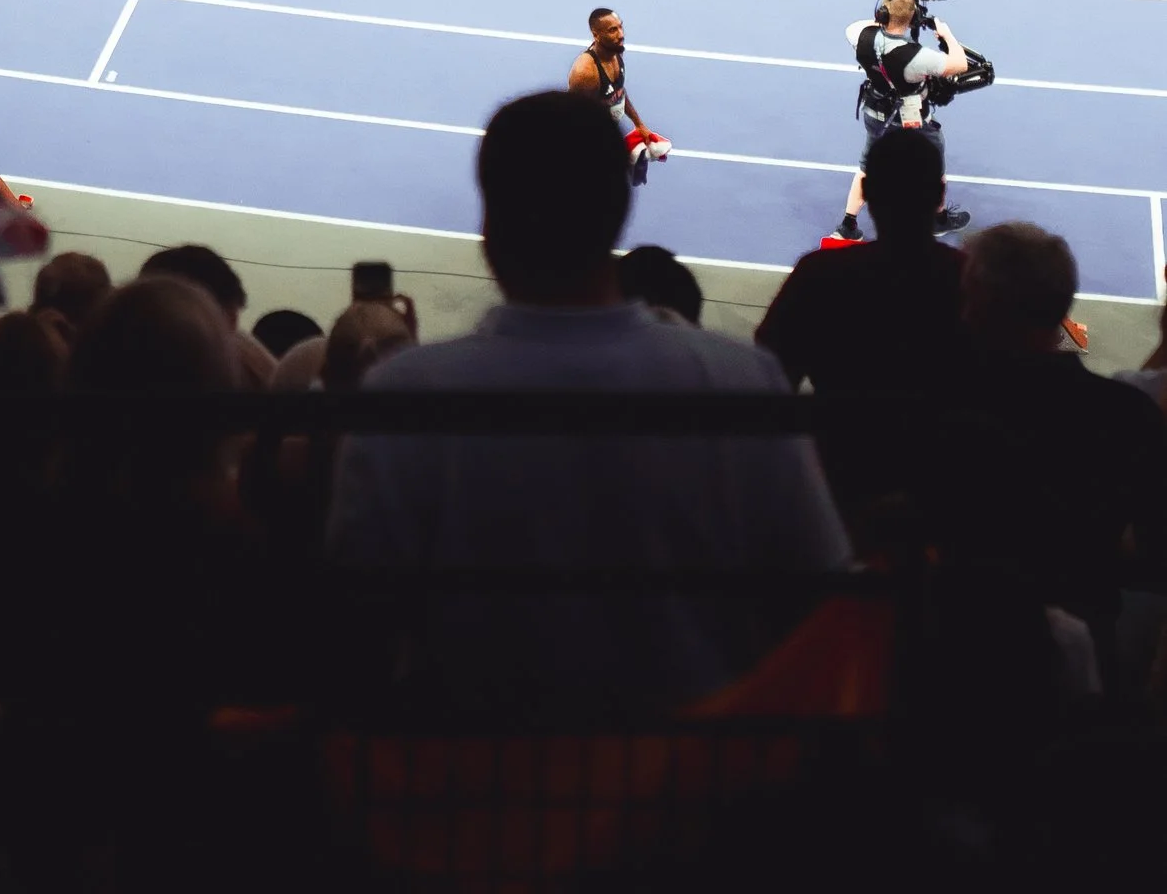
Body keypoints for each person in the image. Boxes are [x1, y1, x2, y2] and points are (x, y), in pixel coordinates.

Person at [327, 90, 846, 720]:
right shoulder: (740, 385)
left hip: (483, 793)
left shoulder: (405, 399)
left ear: (489, 225)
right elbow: (820, 603)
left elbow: (357, 634)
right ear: (622, 209)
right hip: (693, 795)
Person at [940, 222, 1167, 685]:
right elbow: (1153, 551)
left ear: (982, 305)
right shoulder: (1127, 414)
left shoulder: (943, 410)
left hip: (954, 645)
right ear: (1061, 306)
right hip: (1091, 641)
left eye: (968, 297)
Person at [756, 124, 967, 537]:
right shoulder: (969, 282)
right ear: (940, 197)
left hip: (838, 483)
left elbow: (768, 380)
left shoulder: (818, 277)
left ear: (865, 190)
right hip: (944, 490)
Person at [839, 0, 984, 238]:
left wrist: (890, 12)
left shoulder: (859, 35)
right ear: (913, 17)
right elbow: (959, 64)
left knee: (866, 166)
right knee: (934, 162)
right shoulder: (917, 57)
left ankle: (848, 224)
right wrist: (947, 35)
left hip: (875, 112)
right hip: (910, 120)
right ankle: (938, 219)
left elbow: (864, 26)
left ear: (881, 13)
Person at [568, 5, 669, 179]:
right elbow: (576, 120)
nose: (621, 35)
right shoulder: (585, 73)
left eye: (620, 27)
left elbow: (619, 91)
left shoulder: (615, 52)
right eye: (612, 30)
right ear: (596, 35)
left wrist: (639, 124)